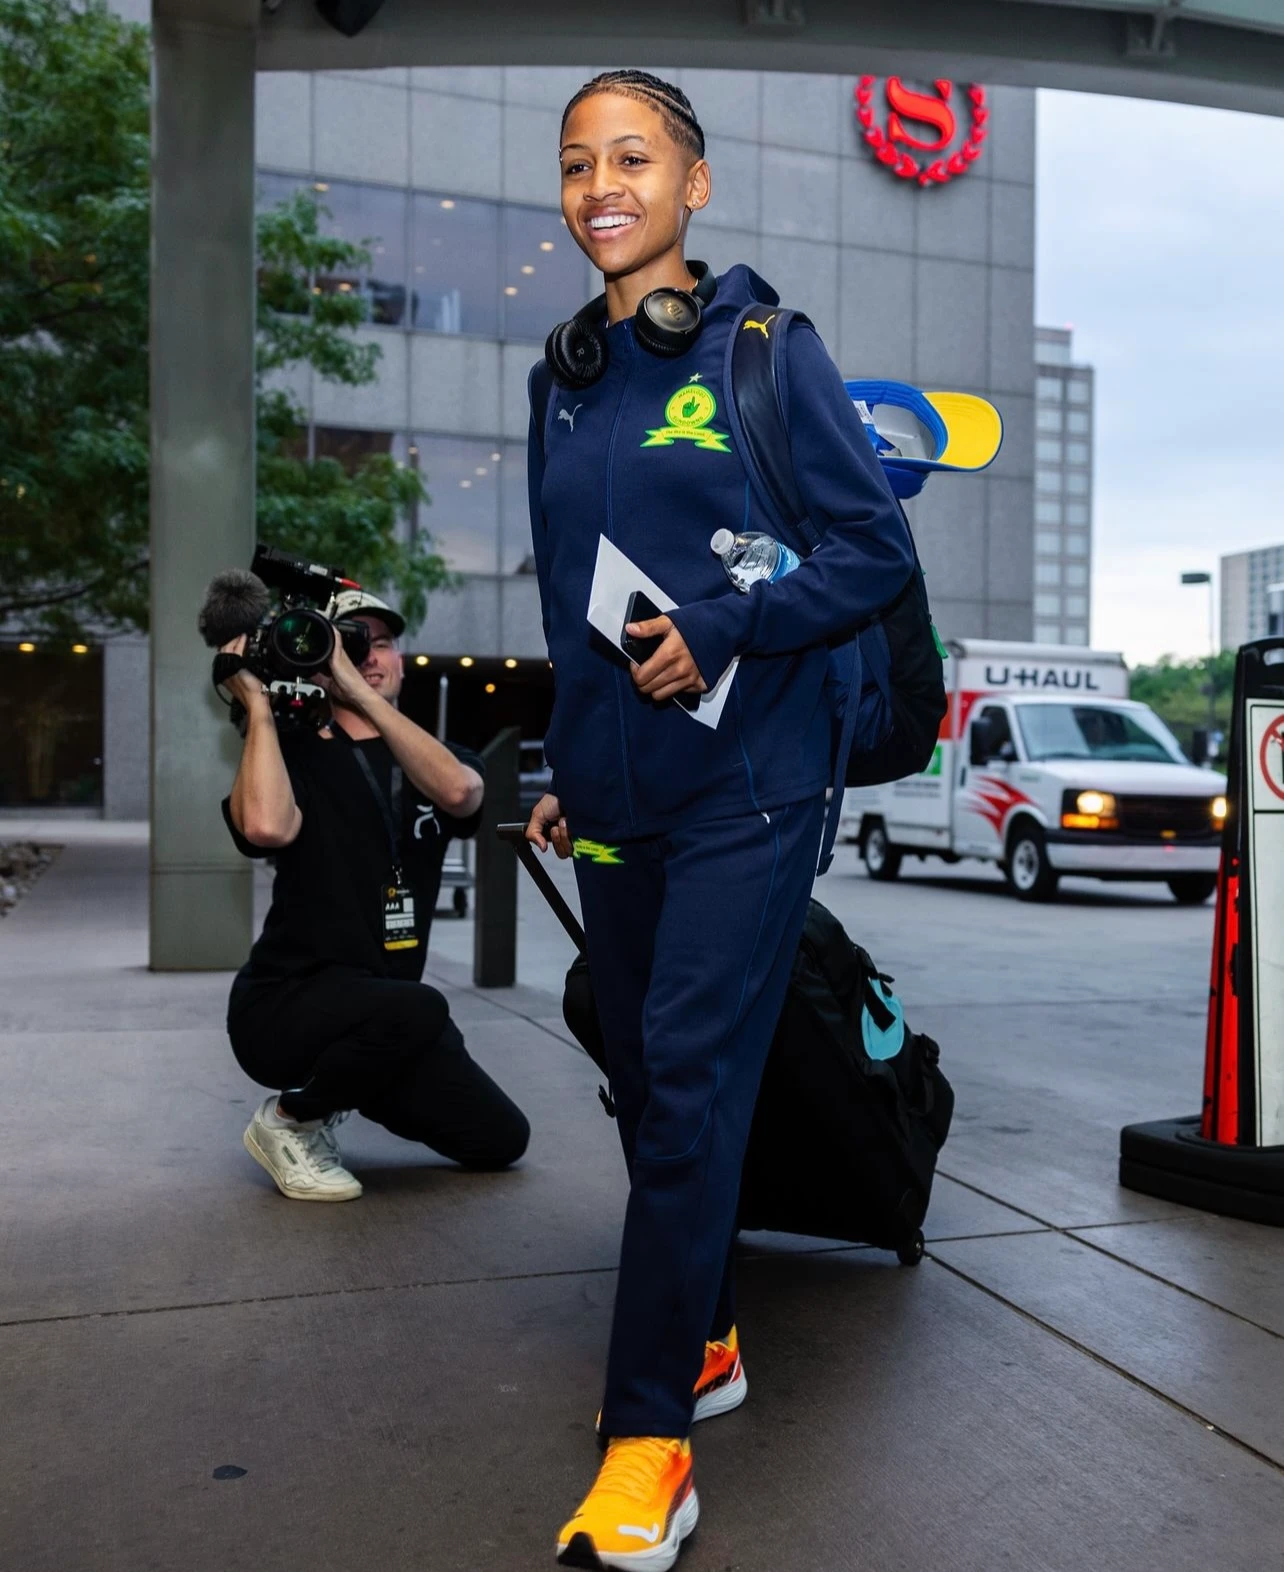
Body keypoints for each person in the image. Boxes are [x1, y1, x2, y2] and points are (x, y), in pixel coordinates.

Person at [524, 71, 914, 1572]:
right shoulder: (562, 375)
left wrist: (731, 624)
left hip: (752, 785)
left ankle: (646, 1450)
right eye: (577, 163)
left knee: (684, 1087)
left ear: (695, 185)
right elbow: (571, 608)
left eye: (633, 158)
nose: (601, 184)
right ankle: (706, 1335)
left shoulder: (766, 349)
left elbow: (868, 548)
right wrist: (566, 766)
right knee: (640, 1080)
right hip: (621, 787)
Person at [219, 589, 529, 1202]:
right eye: (347, 641)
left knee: (499, 1139)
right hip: (286, 1004)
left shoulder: (438, 762)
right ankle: (290, 1121)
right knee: (419, 1008)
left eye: (379, 643)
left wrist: (354, 688)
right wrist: (256, 703)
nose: (366, 655)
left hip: (385, 1014)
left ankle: (344, 1086)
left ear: (403, 659)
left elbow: (463, 795)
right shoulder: (294, 757)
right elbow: (264, 827)